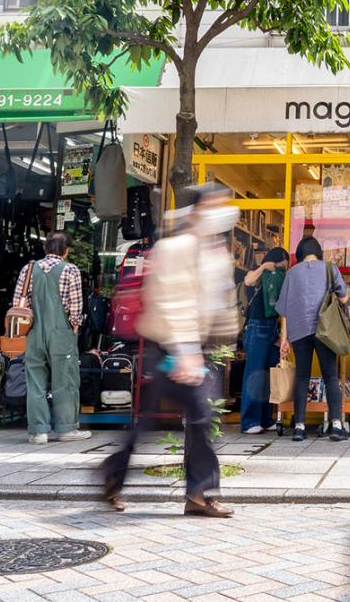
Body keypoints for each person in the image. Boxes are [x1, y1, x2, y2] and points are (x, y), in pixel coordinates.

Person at [101, 184, 239, 518]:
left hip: (193, 348)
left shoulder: (212, 249)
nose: (222, 213)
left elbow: (218, 298)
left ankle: (115, 474)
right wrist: (185, 351)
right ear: (197, 211)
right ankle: (198, 493)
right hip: (171, 346)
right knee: (198, 418)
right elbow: (174, 300)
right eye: (215, 206)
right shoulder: (175, 247)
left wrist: (226, 336)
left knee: (168, 421)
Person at [14, 231, 90, 445]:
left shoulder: (28, 269)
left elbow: (18, 303)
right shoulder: (70, 270)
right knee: (64, 381)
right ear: (65, 251)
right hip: (61, 332)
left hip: (33, 331)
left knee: (35, 381)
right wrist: (74, 327)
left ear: (46, 249)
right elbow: (76, 308)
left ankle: (38, 432)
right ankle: (66, 429)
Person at [276, 236, 350, 441]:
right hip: (324, 330)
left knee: (301, 377)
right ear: (318, 252)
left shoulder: (291, 273)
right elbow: (344, 298)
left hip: (299, 331)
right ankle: (336, 425)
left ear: (300, 254)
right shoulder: (329, 268)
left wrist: (284, 338)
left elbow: (284, 310)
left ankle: (299, 427)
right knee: (331, 377)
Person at [239, 246, 289, 434]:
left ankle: (266, 418)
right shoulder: (258, 274)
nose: (284, 267)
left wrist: (281, 336)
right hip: (257, 327)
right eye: (282, 263)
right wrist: (263, 267)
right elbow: (248, 281)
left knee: (269, 375)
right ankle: (249, 421)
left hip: (272, 329)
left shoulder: (279, 278)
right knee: (254, 373)